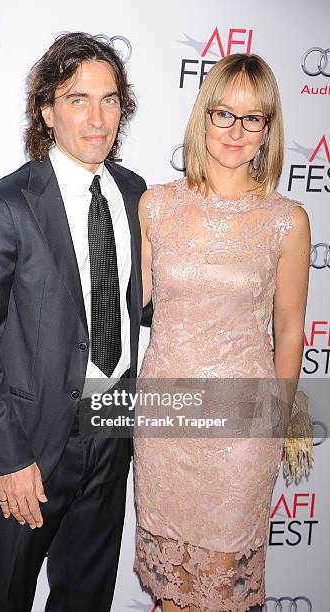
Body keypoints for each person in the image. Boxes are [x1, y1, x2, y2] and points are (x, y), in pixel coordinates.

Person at [0, 32, 146, 612]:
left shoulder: (137, 195)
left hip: (110, 437)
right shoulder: (6, 205)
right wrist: (8, 458)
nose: (97, 117)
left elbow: (145, 305)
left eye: (110, 99)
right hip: (25, 447)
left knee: (87, 600)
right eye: (78, 98)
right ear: (47, 110)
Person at [134, 54, 310, 612]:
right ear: (202, 116)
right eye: (223, 114)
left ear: (269, 128)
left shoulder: (288, 220)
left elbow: (289, 329)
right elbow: (121, 307)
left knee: (222, 591)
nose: (236, 131)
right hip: (166, 423)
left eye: (253, 118)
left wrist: (278, 426)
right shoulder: (155, 206)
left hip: (241, 429)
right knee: (173, 593)